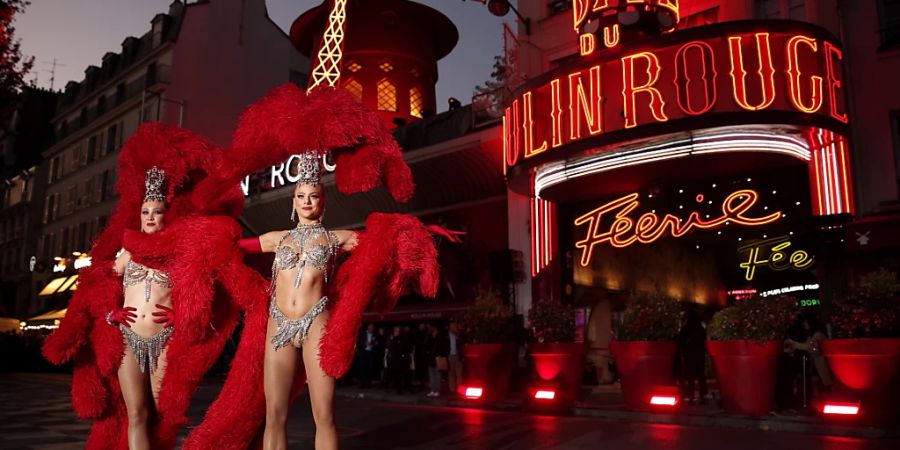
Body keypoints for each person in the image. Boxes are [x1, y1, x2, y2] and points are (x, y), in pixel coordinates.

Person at [181, 84, 450, 450]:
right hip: (277, 324)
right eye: (301, 196)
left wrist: (425, 230)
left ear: (322, 201)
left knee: (324, 415)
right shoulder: (276, 238)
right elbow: (226, 246)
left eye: (314, 196)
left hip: (316, 324)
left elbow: (384, 238)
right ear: (294, 201)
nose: (307, 201)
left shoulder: (337, 238)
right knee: (273, 414)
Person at [42, 124, 259, 450]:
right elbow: (97, 285)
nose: (150, 218)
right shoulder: (127, 254)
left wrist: (183, 319)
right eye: (145, 212)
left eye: (157, 212)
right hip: (128, 341)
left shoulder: (179, 252)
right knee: (137, 414)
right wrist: (109, 315)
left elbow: (206, 290)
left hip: (165, 342)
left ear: (164, 216)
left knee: (160, 417)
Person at [785, 315, 833, 399]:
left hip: (820, 366)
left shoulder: (818, 335)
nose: (804, 324)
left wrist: (794, 344)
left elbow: (811, 348)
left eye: (805, 322)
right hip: (815, 366)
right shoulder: (812, 335)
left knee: (822, 388)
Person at [676, 310, 708, 404]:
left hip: (688, 355)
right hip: (699, 355)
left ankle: (691, 395)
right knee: (701, 376)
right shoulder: (701, 329)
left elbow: (680, 342)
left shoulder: (685, 329)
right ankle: (702, 396)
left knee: (690, 377)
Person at [425, 325, 450, 396]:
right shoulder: (429, 339)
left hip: (438, 359)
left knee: (438, 376)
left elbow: (444, 348)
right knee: (431, 376)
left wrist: (440, 355)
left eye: (436, 331)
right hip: (431, 359)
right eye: (434, 331)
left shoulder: (440, 339)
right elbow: (426, 348)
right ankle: (432, 390)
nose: (435, 332)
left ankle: (437, 390)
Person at [357, 323, 378, 388]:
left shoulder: (374, 335)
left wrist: (374, 344)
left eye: (372, 327)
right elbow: (358, 342)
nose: (371, 329)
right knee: (362, 368)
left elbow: (376, 343)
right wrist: (364, 343)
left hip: (370, 353)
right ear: (368, 327)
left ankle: (368, 384)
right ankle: (362, 384)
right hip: (363, 353)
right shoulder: (362, 334)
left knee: (369, 368)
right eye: (370, 327)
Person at [447, 321, 465, 395]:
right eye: (452, 326)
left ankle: (459, 389)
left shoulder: (459, 335)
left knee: (459, 373)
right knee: (450, 373)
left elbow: (462, 345)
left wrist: (457, 335)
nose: (453, 327)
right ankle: (452, 389)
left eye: (454, 326)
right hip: (449, 355)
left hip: (458, 356)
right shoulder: (446, 335)